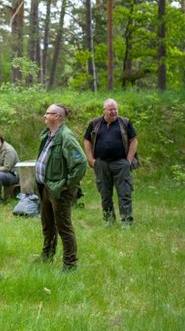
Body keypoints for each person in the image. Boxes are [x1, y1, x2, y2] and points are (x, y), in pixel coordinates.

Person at [35, 104, 87, 271]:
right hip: (46, 187)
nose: (44, 115)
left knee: (64, 228)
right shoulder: (48, 135)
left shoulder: (66, 137)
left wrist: (66, 184)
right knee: (48, 225)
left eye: (47, 113)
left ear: (57, 116)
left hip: (59, 190)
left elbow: (80, 163)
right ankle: (47, 255)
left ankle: (70, 265)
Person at [83, 98, 138, 228]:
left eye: (115, 109)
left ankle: (126, 221)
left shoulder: (124, 122)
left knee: (125, 193)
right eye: (111, 109)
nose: (114, 112)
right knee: (105, 194)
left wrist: (128, 160)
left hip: (121, 163)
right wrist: (91, 159)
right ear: (104, 110)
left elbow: (134, 140)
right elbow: (86, 140)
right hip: (101, 164)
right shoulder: (95, 123)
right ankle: (109, 221)